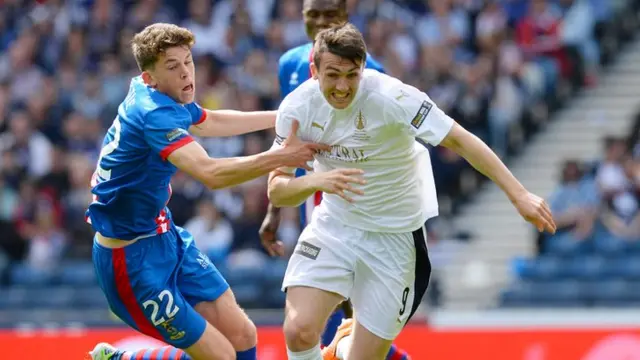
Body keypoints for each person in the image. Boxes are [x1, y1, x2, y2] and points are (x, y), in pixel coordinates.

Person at [268, 23, 557, 360]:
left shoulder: (394, 97)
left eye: (352, 75)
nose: (343, 87)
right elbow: (277, 190)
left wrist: (519, 195)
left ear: (363, 69)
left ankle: (343, 346)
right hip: (335, 226)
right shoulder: (296, 110)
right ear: (314, 71)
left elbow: (459, 139)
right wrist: (314, 182)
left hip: (394, 238)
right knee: (299, 330)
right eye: (333, 75)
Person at [85, 23, 330, 360]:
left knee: (244, 336)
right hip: (129, 263)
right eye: (173, 67)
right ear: (149, 77)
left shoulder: (158, 94)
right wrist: (281, 156)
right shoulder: (153, 113)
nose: (187, 73)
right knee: (221, 356)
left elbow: (208, 121)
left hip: (165, 236)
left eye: (188, 61)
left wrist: (285, 117)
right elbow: (211, 174)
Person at [259, 1, 411, 358]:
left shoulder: (368, 71)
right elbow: (289, 141)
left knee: (357, 313)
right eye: (313, 15)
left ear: (345, 16)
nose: (320, 22)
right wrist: (275, 210)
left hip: (355, 199)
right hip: (314, 196)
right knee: (323, 315)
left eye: (330, 15)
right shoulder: (290, 64)